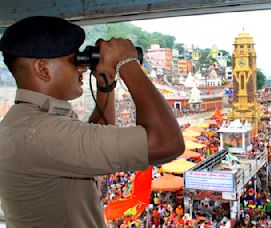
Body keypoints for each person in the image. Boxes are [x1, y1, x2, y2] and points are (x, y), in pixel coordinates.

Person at [0, 16, 184, 227]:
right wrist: (127, 62)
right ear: (43, 69)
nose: (83, 68)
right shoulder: (41, 133)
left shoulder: (29, 123)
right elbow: (167, 143)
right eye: (74, 60)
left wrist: (106, 83)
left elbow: (94, 140)